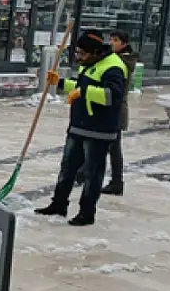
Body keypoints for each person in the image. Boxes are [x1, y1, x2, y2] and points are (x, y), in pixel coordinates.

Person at [36, 30, 128, 226]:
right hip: (78, 126)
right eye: (77, 53)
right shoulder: (91, 63)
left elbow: (112, 97)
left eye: (82, 54)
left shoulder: (114, 67)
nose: (79, 58)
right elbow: (81, 85)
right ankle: (59, 204)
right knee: (67, 169)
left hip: (99, 130)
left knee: (92, 174)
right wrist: (61, 83)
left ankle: (87, 213)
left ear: (95, 52)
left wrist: (83, 92)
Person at [102, 30, 137, 196]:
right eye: (111, 40)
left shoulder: (121, 61)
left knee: (113, 147)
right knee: (107, 146)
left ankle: (117, 182)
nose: (111, 43)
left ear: (124, 43)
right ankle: (115, 181)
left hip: (116, 109)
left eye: (115, 40)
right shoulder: (120, 59)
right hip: (113, 108)